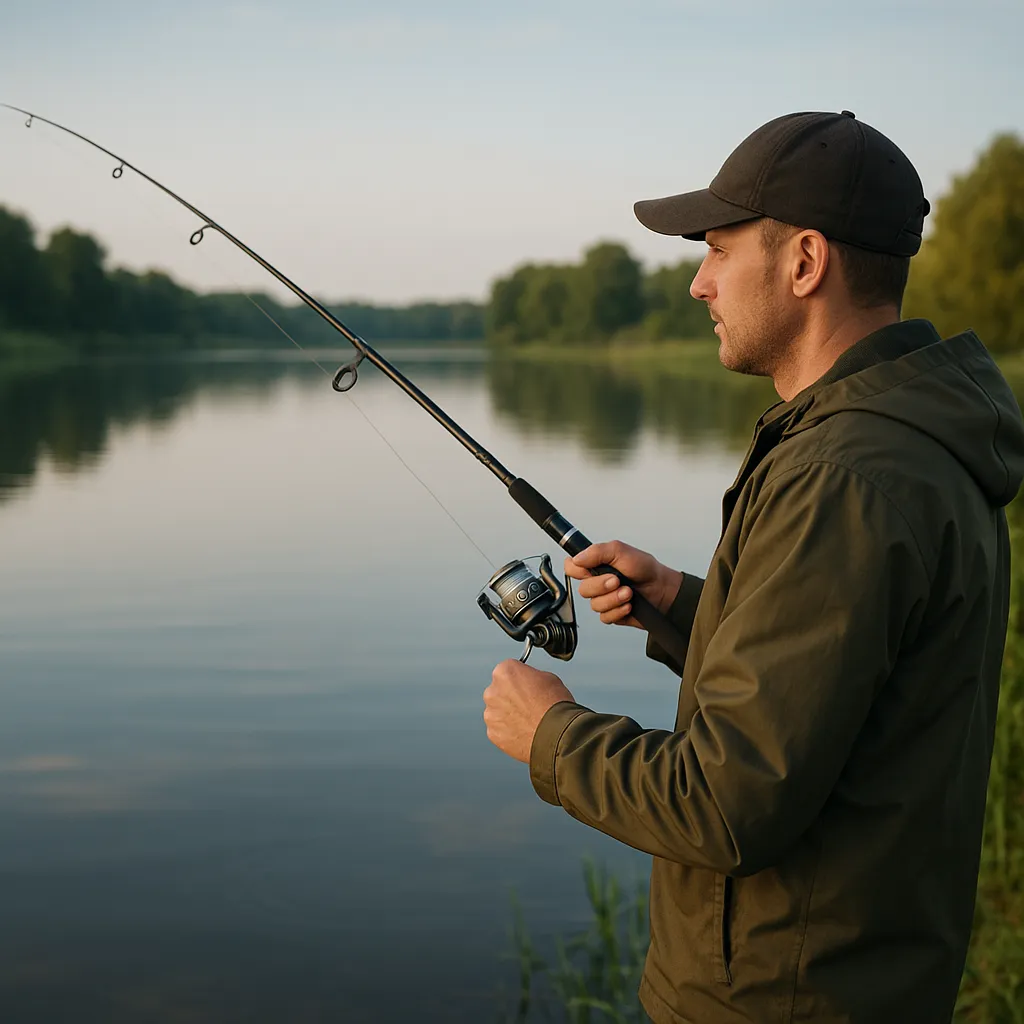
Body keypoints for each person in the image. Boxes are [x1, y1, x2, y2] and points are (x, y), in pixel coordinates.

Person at [482, 110, 1024, 1024]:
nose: (699, 284)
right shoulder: (910, 441)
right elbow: (844, 682)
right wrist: (679, 607)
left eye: (718, 251)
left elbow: (725, 804)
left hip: (782, 999)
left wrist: (553, 736)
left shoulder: (844, 475)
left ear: (805, 262)